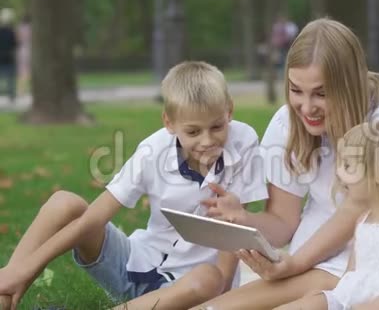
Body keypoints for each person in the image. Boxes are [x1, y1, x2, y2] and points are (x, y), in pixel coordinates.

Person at [195, 18, 379, 309]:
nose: (307, 107)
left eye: (321, 93)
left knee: (310, 289)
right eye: (296, 90)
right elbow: (283, 221)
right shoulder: (288, 123)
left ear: (350, 85)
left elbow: (359, 207)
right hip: (315, 253)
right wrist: (245, 221)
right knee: (230, 305)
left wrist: (293, 264)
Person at [0, 61, 268, 309]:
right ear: (169, 123)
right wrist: (27, 268)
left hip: (191, 288)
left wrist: (221, 299)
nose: (207, 140)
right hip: (133, 264)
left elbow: (232, 235)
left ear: (229, 111)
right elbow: (92, 220)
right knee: (64, 203)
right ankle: (7, 287)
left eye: (217, 127)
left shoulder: (243, 141)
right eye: (193, 131)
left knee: (209, 278)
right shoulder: (152, 150)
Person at [276, 120, 379, 309]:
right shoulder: (363, 220)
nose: (339, 173)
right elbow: (351, 274)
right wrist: (329, 298)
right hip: (353, 300)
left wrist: (378, 305)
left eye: (348, 166)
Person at [0, 8, 17, 103]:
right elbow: (15, 45)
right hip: (9, 56)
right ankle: (11, 95)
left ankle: (10, 94)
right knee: (11, 76)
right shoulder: (11, 32)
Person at [16, 13, 31, 95]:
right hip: (31, 49)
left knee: (22, 71)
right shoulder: (33, 28)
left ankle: (21, 90)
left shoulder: (20, 28)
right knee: (31, 70)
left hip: (22, 50)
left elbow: (17, 40)